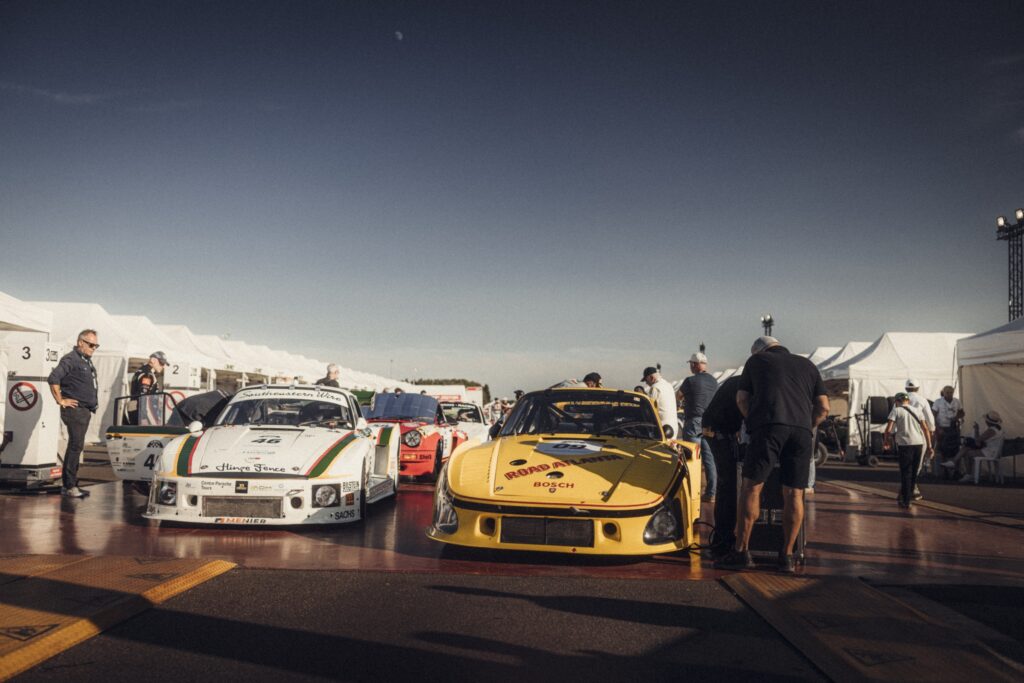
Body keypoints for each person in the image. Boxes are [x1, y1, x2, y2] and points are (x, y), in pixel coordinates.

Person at [716, 336, 829, 574]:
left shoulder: (756, 361)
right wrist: (806, 426)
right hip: (801, 432)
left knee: (751, 487)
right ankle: (787, 556)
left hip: (768, 427)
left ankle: (742, 552)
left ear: (759, 351)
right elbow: (824, 407)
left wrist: (753, 421)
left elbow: (741, 398)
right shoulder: (808, 365)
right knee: (794, 493)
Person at [48, 329, 100, 499]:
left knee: (77, 446)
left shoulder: (85, 360)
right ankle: (69, 485)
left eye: (96, 345)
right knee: (75, 446)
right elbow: (54, 378)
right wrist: (61, 400)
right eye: (91, 345)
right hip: (75, 411)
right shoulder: (71, 359)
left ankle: (70, 483)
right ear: (81, 343)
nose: (94, 348)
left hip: (84, 411)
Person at [701, 374, 746, 557]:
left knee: (728, 482)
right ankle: (723, 539)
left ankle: (723, 537)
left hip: (717, 429)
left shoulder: (740, 379)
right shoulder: (749, 382)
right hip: (720, 431)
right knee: (729, 483)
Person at [679, 353, 718, 503]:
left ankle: (691, 491)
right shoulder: (714, 381)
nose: (690, 367)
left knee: (691, 458)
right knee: (709, 459)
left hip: (693, 421)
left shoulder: (690, 381)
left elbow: (678, 396)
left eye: (691, 364)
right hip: (709, 422)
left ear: (695, 364)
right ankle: (711, 493)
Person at [883, 393, 933, 508]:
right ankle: (908, 495)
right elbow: (925, 429)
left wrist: (886, 441)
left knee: (906, 472)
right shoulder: (917, 411)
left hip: (905, 444)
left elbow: (888, 429)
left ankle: (906, 500)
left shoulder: (896, 410)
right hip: (919, 443)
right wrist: (930, 446)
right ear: (908, 401)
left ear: (897, 401)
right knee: (914, 472)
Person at [941, 411, 1005, 483]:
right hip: (990, 450)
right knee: (967, 447)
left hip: (989, 452)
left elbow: (978, 440)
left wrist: (976, 430)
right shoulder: (998, 429)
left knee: (967, 452)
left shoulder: (991, 430)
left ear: (989, 421)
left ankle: (967, 472)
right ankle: (955, 463)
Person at [932, 386, 964, 465]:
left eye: (951, 392)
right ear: (944, 393)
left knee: (955, 449)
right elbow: (933, 415)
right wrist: (938, 428)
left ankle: (954, 469)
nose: (949, 394)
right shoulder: (938, 402)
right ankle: (943, 469)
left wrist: (957, 417)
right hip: (942, 428)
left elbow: (962, 412)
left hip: (954, 428)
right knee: (942, 449)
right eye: (947, 392)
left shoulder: (957, 401)